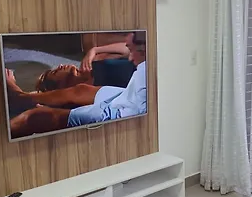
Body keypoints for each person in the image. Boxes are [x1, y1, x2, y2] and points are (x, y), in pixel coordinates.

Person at [8, 32, 147, 138]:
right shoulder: (82, 94)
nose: (60, 65)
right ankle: (20, 97)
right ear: (60, 87)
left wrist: (95, 50)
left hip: (132, 92)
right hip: (134, 98)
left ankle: (20, 97)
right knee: (37, 117)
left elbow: (128, 48)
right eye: (54, 72)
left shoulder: (97, 61)